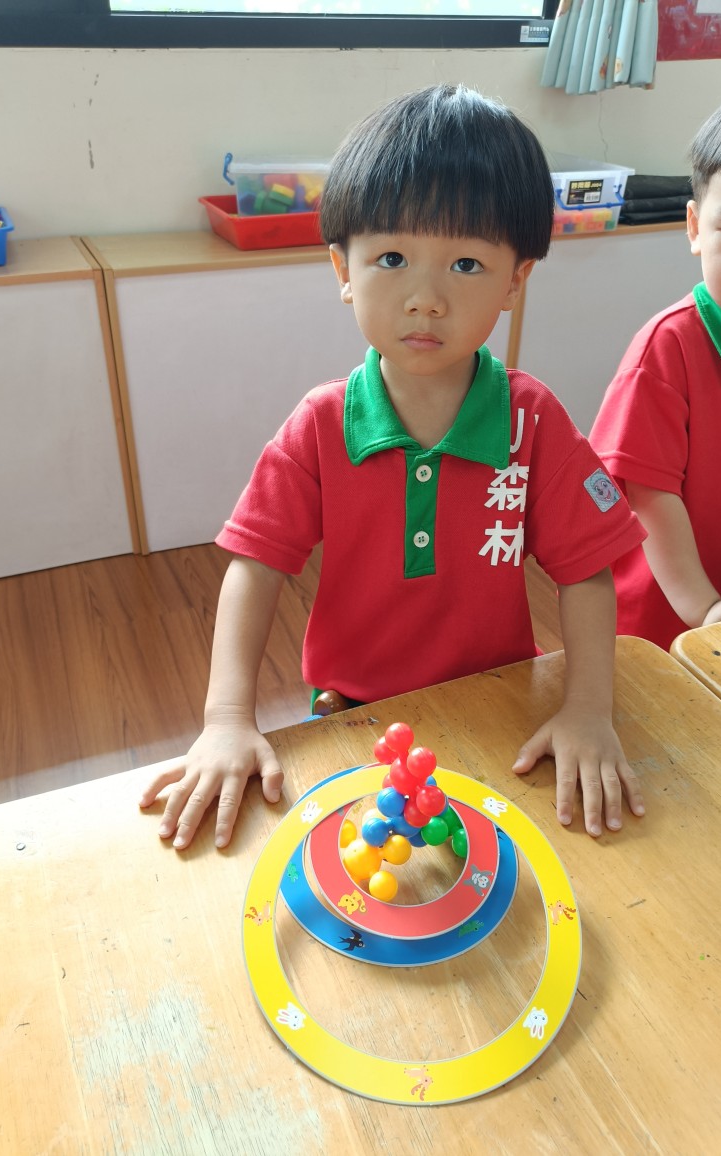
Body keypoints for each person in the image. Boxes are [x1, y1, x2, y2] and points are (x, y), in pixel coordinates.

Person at [140, 84, 646, 849]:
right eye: (391, 258)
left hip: (498, 699)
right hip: (353, 713)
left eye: (467, 263)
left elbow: (586, 572)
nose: (425, 299)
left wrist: (586, 709)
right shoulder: (320, 424)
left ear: (515, 280)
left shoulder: (531, 419)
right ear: (341, 267)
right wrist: (226, 720)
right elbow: (255, 566)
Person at [589, 70, 721, 651]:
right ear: (695, 227)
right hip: (633, 618)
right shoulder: (668, 348)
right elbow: (648, 495)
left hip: (718, 606)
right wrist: (704, 607)